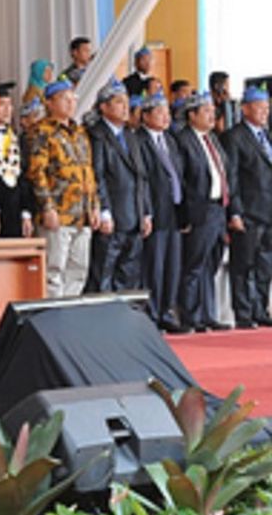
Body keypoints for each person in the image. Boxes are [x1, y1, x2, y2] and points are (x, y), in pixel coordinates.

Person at [27, 77, 100, 297]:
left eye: (72, 98)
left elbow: (88, 171)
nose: (70, 102)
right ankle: (53, 320)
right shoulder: (42, 131)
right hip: (59, 211)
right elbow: (36, 172)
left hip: (82, 213)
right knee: (54, 270)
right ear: (50, 103)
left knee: (78, 270)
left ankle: (69, 316)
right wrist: (47, 207)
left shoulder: (79, 132)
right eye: (64, 98)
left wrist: (94, 205)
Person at [176, 92, 238, 332]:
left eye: (213, 111)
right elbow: (183, 180)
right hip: (198, 211)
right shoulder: (184, 140)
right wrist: (186, 215)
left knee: (211, 264)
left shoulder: (212, 139)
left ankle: (207, 313)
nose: (212, 115)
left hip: (217, 210)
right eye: (206, 111)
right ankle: (190, 315)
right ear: (192, 115)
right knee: (193, 264)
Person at [88, 78, 152, 292]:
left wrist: (146, 212)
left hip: (134, 215)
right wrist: (104, 210)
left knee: (129, 273)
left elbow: (141, 176)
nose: (126, 108)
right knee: (104, 273)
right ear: (104, 107)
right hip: (113, 215)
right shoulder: (97, 135)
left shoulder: (130, 135)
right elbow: (98, 175)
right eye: (119, 102)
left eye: (126, 102)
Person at [221, 84, 272, 328]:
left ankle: (260, 308)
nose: (265, 112)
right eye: (260, 108)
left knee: (265, 264)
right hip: (249, 211)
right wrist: (235, 211)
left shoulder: (267, 135)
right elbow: (232, 178)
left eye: (267, 108)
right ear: (245, 109)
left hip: (269, 211)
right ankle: (243, 312)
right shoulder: (235, 137)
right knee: (244, 265)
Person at [135, 93, 187, 332]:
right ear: (145, 116)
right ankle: (153, 313)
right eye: (159, 112)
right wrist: (146, 211)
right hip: (155, 211)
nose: (166, 117)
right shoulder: (139, 140)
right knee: (153, 266)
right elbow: (143, 179)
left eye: (167, 112)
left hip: (174, 212)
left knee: (172, 266)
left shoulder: (170, 140)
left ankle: (167, 310)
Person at [0, 82, 33, 238]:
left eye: (9, 105)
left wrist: (26, 213)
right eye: (1, 104)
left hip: (16, 210)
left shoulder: (15, 137)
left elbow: (24, 177)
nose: (7, 110)